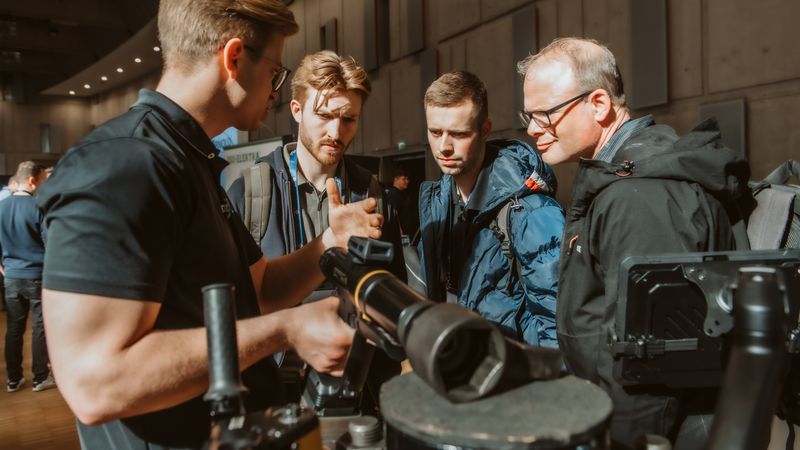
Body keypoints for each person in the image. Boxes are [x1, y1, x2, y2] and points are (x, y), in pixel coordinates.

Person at [34, 1, 384, 448]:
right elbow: (97, 383)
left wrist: (329, 242)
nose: (275, 90)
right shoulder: (123, 165)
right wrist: (286, 330)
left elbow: (260, 290)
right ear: (234, 59)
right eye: (274, 71)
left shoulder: (187, 161)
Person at [517, 37, 751, 449]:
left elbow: (651, 368)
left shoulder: (639, 197)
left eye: (545, 114)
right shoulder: (622, 180)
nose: (533, 129)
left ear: (599, 104)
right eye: (528, 115)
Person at [226, 49, 404, 410]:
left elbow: (393, 292)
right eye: (324, 115)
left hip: (360, 387)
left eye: (349, 119)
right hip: (275, 392)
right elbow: (234, 308)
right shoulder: (250, 193)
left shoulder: (373, 195)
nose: (336, 132)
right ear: (296, 111)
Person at [417, 71, 564, 347]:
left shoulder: (532, 211)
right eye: (435, 132)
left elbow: (556, 329)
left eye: (459, 134)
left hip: (512, 377)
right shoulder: (438, 200)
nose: (444, 147)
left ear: (485, 129)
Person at [0, 162, 55, 393]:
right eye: (42, 180)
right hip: (37, 275)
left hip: (11, 276)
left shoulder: (0, 207)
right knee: (40, 327)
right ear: (32, 181)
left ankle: (13, 379)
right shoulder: (38, 206)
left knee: (14, 327)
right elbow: (49, 243)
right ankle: (40, 377)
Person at [384, 166, 416, 238]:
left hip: (407, 232)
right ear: (396, 179)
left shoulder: (403, 194)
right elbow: (394, 213)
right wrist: (399, 231)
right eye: (404, 179)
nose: (407, 181)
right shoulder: (393, 193)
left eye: (407, 179)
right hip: (400, 234)